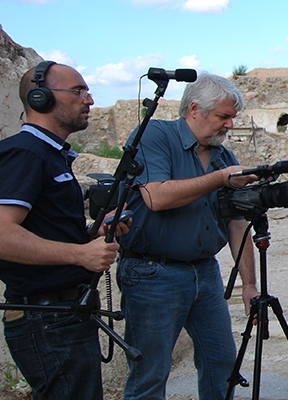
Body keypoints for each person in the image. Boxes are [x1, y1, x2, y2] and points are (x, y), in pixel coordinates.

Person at [116, 72, 260, 400]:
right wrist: (220, 179)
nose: (229, 126)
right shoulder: (154, 135)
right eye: (223, 117)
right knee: (150, 374)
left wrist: (249, 285)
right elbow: (157, 197)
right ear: (195, 109)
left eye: (233, 117)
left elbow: (237, 224)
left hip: (205, 272)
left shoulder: (223, 157)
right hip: (153, 273)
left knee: (222, 362)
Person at [0, 61, 129, 399]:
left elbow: (44, 228)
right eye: (78, 91)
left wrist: (92, 232)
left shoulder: (50, 155)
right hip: (45, 319)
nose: (88, 100)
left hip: (65, 315)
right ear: (40, 98)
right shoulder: (24, 153)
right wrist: (80, 254)